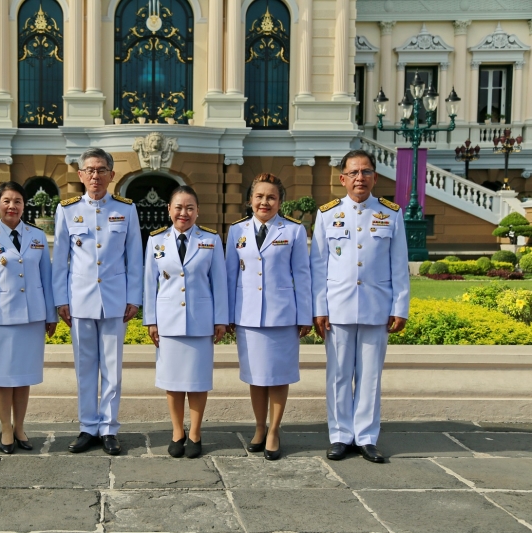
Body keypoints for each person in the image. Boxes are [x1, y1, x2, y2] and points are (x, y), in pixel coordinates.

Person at [310, 149, 409, 463]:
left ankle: (366, 437)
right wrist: (319, 307)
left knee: (370, 376)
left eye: (366, 172)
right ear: (342, 179)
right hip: (337, 307)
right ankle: (340, 436)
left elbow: (399, 264)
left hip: (376, 307)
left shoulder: (391, 213)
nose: (360, 178)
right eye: (353, 173)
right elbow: (319, 266)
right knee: (338, 374)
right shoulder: (327, 214)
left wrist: (400, 306)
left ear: (375, 177)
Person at [52, 147, 143, 455]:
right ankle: (87, 426)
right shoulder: (67, 209)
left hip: (114, 300)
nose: (95, 175)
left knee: (112, 368)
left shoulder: (126, 209)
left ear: (111, 175)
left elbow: (135, 258)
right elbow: (60, 260)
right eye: (89, 170)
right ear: (80, 175)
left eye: (101, 170)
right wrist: (61, 299)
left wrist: (134, 297)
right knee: (85, 367)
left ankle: (109, 428)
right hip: (80, 300)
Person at [225, 174, 312, 460]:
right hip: (248, 316)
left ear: (280, 202)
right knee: (256, 377)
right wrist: (226, 316)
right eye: (259, 196)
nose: (265, 202)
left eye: (271, 197)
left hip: (282, 316)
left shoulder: (294, 231)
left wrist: (305, 315)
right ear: (250, 200)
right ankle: (259, 428)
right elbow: (229, 276)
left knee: (278, 376)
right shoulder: (236, 231)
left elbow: (302, 274)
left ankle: (274, 430)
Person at [0, 181, 57, 454]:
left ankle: (20, 426)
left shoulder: (37, 236)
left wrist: (50, 315)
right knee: (2, 377)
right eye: (7, 201)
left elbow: (47, 279)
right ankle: (5, 429)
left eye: (18, 201)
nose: (12, 206)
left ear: (24, 205)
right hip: (0, 319)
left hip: (32, 318)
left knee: (23, 377)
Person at [143, 186, 227, 458]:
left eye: (190, 208)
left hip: (200, 321)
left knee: (198, 381)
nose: (184, 213)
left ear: (198, 211)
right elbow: (149, 284)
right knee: (173, 381)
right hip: (168, 322)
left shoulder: (210, 240)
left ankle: (195, 433)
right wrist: (151, 321)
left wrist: (220, 319)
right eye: (178, 207)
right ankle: (177, 431)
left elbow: (220, 284)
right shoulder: (156, 240)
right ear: (169, 209)